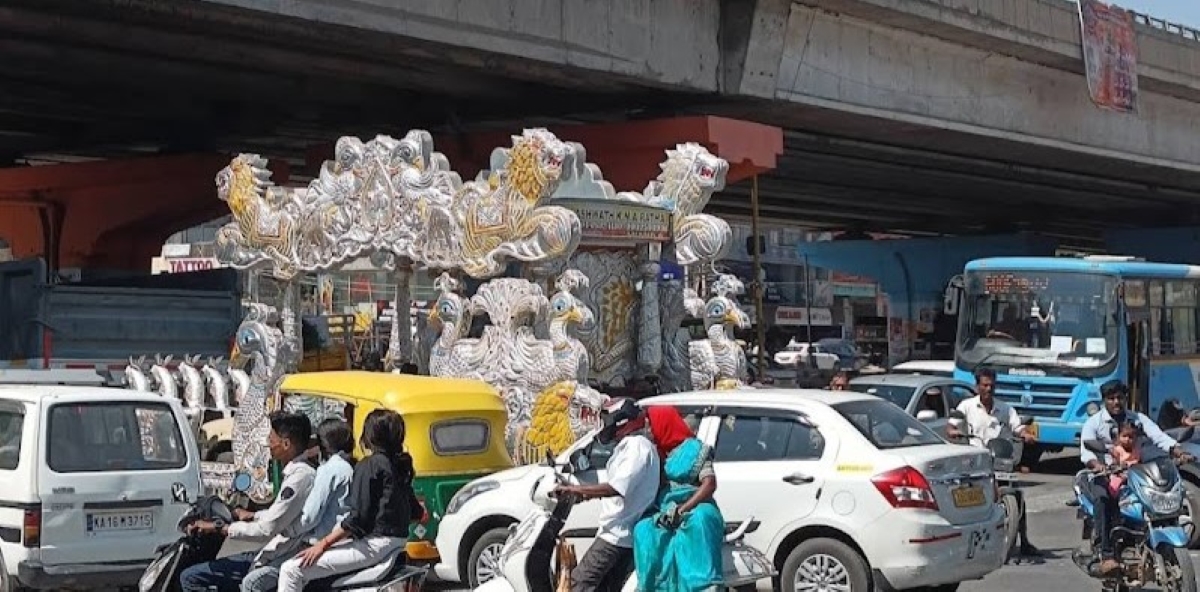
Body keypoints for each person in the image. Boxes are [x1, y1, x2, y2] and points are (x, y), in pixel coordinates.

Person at [277, 410, 421, 592]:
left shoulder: (369, 466)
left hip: (373, 545)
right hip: (397, 545)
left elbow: (357, 519)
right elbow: (417, 513)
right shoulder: (398, 466)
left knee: (291, 570)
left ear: (369, 435)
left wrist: (323, 544)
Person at [180, 412, 316, 592]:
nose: (268, 444)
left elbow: (266, 529)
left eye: (271, 438)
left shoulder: (299, 478)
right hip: (272, 550)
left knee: (190, 577)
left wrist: (220, 528)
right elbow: (282, 514)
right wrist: (251, 515)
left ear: (286, 444)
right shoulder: (298, 474)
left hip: (280, 554)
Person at [1081, 379, 1189, 575]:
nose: (1116, 402)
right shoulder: (1093, 423)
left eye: (1120, 398)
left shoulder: (1138, 419)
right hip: (1105, 473)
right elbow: (1086, 453)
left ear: (1125, 398)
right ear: (1104, 400)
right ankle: (1106, 555)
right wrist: (1098, 465)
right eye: (1111, 398)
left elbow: (1158, 436)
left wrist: (1177, 450)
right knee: (1103, 499)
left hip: (1135, 472)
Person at [555, 398, 660, 592]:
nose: (603, 427)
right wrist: (581, 494)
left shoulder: (637, 447)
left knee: (579, 583)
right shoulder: (628, 446)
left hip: (617, 534)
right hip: (617, 531)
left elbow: (616, 487)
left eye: (606, 422)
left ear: (620, 422)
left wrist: (576, 490)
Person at [240, 418, 356, 592]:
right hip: (337, 542)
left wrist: (285, 529)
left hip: (317, 544)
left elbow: (309, 517)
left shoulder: (330, 469)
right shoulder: (348, 467)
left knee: (253, 582)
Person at [947, 367, 1040, 558]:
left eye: (991, 385)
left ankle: (1024, 541)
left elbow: (1017, 426)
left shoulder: (1005, 409)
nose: (988, 389)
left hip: (998, 457)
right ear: (977, 386)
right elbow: (951, 425)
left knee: (1017, 494)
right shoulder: (966, 406)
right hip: (975, 460)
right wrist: (954, 431)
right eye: (984, 385)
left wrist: (1025, 434)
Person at [633, 406, 723, 592]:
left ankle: (702, 585)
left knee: (699, 520)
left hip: (696, 505)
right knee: (643, 529)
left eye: (652, 426)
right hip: (666, 510)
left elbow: (709, 484)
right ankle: (653, 586)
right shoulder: (655, 455)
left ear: (664, 425)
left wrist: (683, 509)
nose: (649, 431)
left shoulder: (695, 450)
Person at [1106, 421, 1140, 498]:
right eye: (1124, 436)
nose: (1127, 439)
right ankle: (1114, 499)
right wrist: (1118, 466)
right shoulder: (1117, 449)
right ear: (1119, 436)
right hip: (1120, 474)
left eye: (1130, 437)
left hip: (1134, 474)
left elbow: (1138, 461)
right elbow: (1114, 462)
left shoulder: (1136, 450)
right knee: (1114, 484)